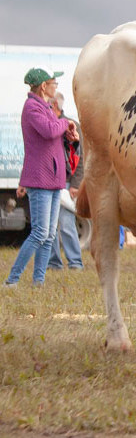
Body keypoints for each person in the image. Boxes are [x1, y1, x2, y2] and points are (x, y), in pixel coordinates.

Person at [5, 68, 78, 287]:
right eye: (53, 82)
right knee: (39, 232)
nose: (56, 86)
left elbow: (52, 134)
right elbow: (48, 130)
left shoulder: (44, 107)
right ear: (44, 86)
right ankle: (12, 280)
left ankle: (39, 282)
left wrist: (68, 134)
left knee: (48, 236)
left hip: (53, 178)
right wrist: (65, 124)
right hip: (41, 179)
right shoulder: (32, 107)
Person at [46, 93, 84, 271]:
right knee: (50, 226)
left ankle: (75, 262)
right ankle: (54, 263)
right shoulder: (47, 125)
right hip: (50, 180)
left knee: (67, 223)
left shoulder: (72, 125)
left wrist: (76, 184)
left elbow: (80, 157)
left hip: (67, 182)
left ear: (55, 106)